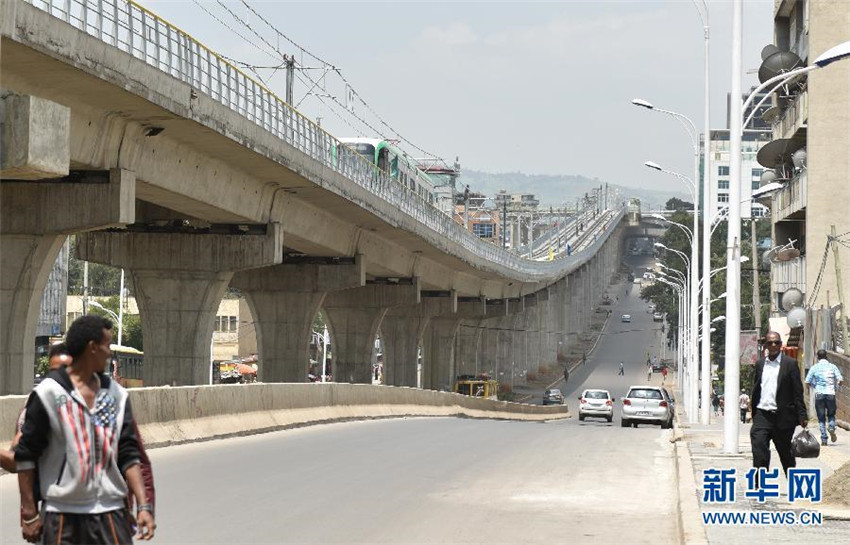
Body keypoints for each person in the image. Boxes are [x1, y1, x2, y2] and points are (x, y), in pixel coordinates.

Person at [14, 316, 156, 543]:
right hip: (62, 515)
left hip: (110, 513)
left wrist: (144, 506)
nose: (109, 353)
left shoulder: (116, 395)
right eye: (107, 345)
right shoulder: (49, 394)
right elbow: (26, 456)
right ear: (92, 348)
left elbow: (129, 454)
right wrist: (30, 514)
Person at [0, 343, 72, 472]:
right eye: (53, 373)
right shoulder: (38, 401)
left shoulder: (95, 404)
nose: (57, 379)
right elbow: (16, 459)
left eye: (65, 371)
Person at [750, 331, 807, 477]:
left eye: (777, 342)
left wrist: (802, 415)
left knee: (785, 453)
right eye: (770, 343)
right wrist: (754, 412)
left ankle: (793, 482)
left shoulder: (790, 364)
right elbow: (756, 388)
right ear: (765, 346)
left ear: (781, 345)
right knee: (759, 449)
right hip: (762, 415)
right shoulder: (760, 364)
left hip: (783, 417)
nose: (774, 345)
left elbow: (797, 391)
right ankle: (759, 484)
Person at [805, 349, 844, 446]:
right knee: (831, 414)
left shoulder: (814, 367)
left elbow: (807, 381)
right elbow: (840, 380)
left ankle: (824, 439)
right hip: (830, 393)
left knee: (821, 418)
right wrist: (836, 387)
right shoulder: (832, 367)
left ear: (818, 357)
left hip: (819, 394)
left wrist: (814, 386)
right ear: (826, 356)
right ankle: (831, 427)